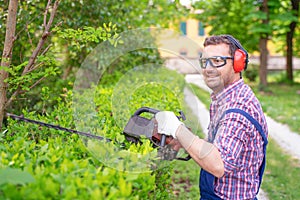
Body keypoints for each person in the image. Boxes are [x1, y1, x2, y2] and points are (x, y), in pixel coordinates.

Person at [155, 35, 268, 199]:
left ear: (238, 63)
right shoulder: (223, 98)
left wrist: (177, 129)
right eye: (205, 62)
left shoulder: (237, 109)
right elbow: (217, 146)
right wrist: (182, 141)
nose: (208, 68)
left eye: (217, 61)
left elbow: (218, 164)